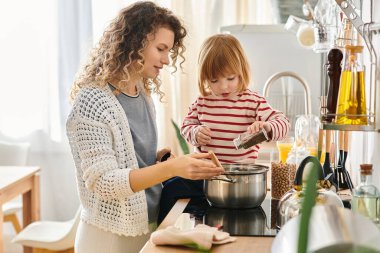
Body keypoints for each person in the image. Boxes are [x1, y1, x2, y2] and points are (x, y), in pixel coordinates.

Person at [66, 2, 223, 253]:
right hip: (108, 239)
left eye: (169, 51)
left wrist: (155, 159)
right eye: (160, 49)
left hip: (147, 227)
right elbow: (105, 182)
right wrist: (173, 167)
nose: (165, 60)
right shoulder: (92, 101)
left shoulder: (142, 92)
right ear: (134, 42)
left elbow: (128, 160)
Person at [181, 34, 290, 164]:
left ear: (241, 72)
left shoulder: (252, 102)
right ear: (204, 78)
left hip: (242, 176)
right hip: (206, 174)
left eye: (230, 78)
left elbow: (284, 123)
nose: (223, 86)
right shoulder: (201, 103)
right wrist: (195, 133)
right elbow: (185, 127)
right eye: (214, 80)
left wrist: (267, 127)